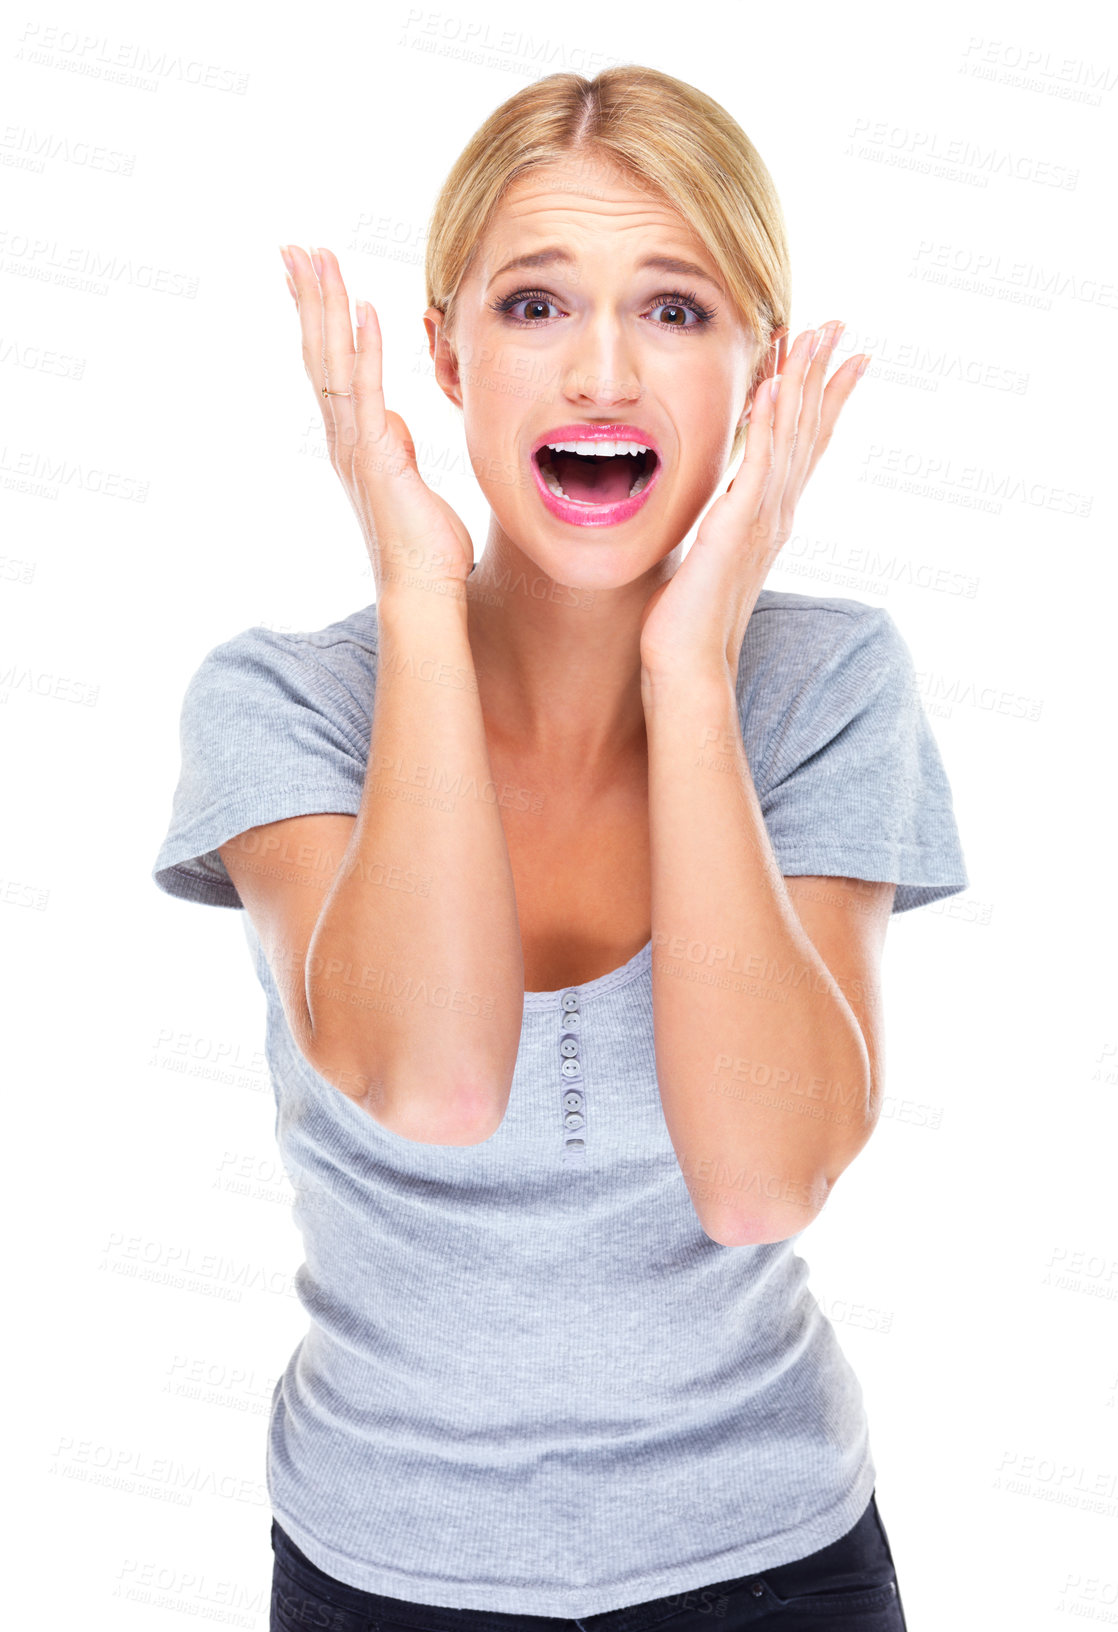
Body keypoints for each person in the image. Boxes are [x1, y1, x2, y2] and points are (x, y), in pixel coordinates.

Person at [152, 65, 969, 1632]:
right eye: (535, 307)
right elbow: (437, 1082)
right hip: (384, 1572)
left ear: (759, 367)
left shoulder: (832, 682)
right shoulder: (283, 706)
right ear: (447, 351)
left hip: (773, 1568)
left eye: (677, 311)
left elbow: (761, 1176)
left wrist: (692, 667)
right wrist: (412, 594)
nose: (602, 372)